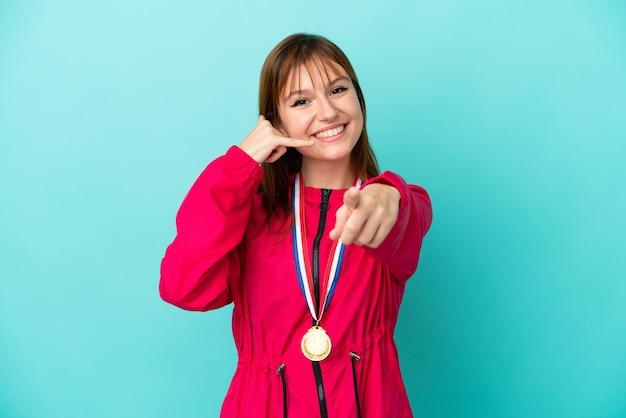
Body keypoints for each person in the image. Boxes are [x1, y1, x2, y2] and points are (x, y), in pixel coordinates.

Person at [159, 33, 433, 418]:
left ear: (358, 98)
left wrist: (389, 195)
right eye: (301, 101)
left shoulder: (389, 204)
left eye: (338, 90)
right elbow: (183, 286)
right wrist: (239, 166)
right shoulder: (250, 214)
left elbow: (406, 216)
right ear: (275, 121)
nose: (327, 112)